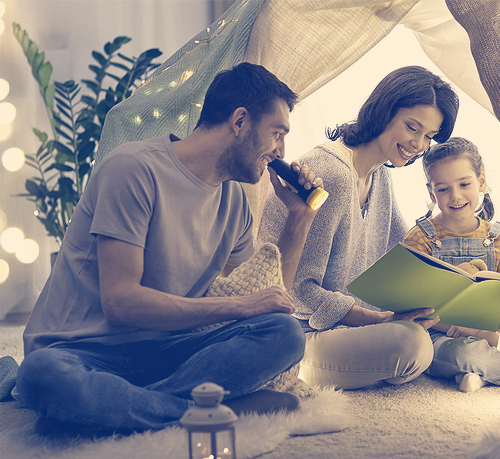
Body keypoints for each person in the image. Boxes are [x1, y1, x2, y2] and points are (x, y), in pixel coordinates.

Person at [15, 62, 324, 436]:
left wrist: (300, 217)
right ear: (240, 121)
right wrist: (243, 305)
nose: (281, 151)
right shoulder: (133, 169)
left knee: (284, 333)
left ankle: (115, 409)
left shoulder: (237, 201)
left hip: (167, 353)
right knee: (40, 376)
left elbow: (268, 299)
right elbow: (121, 303)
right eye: (277, 133)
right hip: (82, 351)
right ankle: (204, 410)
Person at [258, 66, 459, 390]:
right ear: (384, 110)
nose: (419, 144)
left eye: (429, 136)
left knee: (429, 334)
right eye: (412, 127)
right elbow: (298, 291)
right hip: (299, 334)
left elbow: (405, 254)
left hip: (351, 328)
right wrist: (382, 320)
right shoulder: (332, 173)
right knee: (411, 345)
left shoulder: (380, 175)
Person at [402, 137, 500, 392]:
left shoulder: (499, 236)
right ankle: (487, 371)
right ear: (432, 193)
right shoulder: (419, 237)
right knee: (465, 354)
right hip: (439, 337)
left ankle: (479, 375)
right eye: (443, 189)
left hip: (491, 335)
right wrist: (471, 331)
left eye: (464, 184)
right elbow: (414, 306)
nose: (455, 196)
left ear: (482, 182)